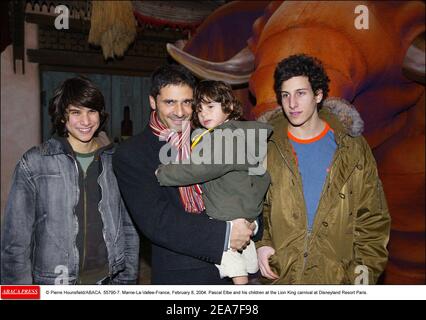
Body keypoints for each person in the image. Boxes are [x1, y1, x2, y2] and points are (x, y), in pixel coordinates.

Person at [112, 65, 255, 284]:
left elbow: (244, 181)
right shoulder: (132, 153)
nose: (180, 112)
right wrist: (225, 234)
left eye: (187, 102)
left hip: (237, 267)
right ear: (153, 101)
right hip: (183, 275)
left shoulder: (209, 137)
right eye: (170, 102)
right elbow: (157, 221)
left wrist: (252, 224)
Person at [256, 54, 391, 284]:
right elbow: (253, 205)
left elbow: (373, 219)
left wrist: (360, 279)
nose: (292, 104)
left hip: (336, 281)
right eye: (285, 95)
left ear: (318, 95)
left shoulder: (352, 147)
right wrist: (261, 243)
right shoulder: (266, 145)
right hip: (282, 277)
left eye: (301, 93)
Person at [1, 76, 140, 285]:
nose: (86, 121)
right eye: (76, 112)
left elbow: (129, 227)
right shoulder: (35, 162)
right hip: (53, 282)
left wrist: (127, 281)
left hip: (109, 280)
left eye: (91, 111)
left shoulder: (117, 161)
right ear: (62, 117)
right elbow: (16, 241)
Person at [155, 80, 272, 284]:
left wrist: (163, 174)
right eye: (199, 109)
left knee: (229, 260)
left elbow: (200, 169)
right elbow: (262, 175)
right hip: (245, 212)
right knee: (246, 261)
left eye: (211, 107)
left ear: (228, 106)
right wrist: (251, 206)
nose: (204, 114)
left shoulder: (223, 138)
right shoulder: (243, 134)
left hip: (225, 215)